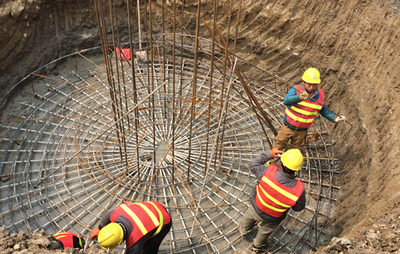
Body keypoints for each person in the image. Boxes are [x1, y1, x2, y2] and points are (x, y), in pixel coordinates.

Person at [239, 148, 305, 252]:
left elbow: (252, 164)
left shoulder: (267, 171)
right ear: (296, 169)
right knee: (265, 231)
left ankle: (244, 230)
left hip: (257, 206)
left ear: (281, 164)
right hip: (273, 217)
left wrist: (269, 154)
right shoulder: (299, 189)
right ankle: (258, 246)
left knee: (248, 217)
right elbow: (298, 208)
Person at [273, 67, 346, 150]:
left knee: (293, 151)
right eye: (309, 84)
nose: (311, 87)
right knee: (278, 147)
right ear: (304, 82)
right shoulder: (296, 90)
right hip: (288, 127)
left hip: (302, 131)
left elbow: (323, 109)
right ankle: (271, 163)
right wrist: (299, 97)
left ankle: (287, 163)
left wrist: (334, 118)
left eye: (314, 85)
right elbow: (286, 101)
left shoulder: (320, 96)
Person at [90, 200, 171, 254]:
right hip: (153, 205)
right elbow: (108, 215)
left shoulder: (134, 241)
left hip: (164, 219)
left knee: (149, 249)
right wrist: (99, 229)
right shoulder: (116, 214)